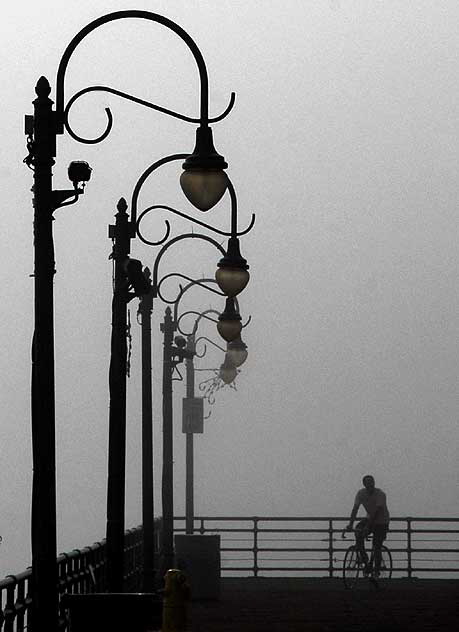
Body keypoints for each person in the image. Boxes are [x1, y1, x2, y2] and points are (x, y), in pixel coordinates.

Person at [345, 475, 390, 577]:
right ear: (364, 484)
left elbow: (377, 511)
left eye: (371, 482)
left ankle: (377, 570)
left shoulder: (380, 494)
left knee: (377, 546)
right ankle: (365, 561)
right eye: (368, 482)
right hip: (370, 518)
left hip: (382, 521)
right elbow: (355, 509)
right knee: (358, 532)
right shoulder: (361, 493)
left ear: (374, 483)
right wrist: (350, 524)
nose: (370, 484)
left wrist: (367, 527)